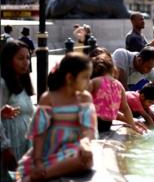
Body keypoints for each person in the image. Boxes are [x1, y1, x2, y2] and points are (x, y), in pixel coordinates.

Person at [16, 53, 96, 181]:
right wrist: (37, 161)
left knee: (86, 161)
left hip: (72, 147)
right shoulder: (49, 98)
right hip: (50, 149)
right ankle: (39, 173)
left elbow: (87, 128)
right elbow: (40, 133)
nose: (89, 82)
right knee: (81, 162)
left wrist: (85, 143)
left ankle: (42, 175)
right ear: (70, 78)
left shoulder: (85, 98)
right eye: (85, 77)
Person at [0, 40, 34, 180]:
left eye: (28, 58)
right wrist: (5, 148)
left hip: (23, 144)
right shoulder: (2, 83)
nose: (26, 62)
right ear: (8, 61)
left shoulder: (22, 82)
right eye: (20, 58)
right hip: (9, 145)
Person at [89, 53, 144, 134]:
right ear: (112, 69)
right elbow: (125, 108)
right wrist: (133, 126)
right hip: (107, 124)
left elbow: (82, 98)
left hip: (93, 121)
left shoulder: (95, 81)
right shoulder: (119, 85)